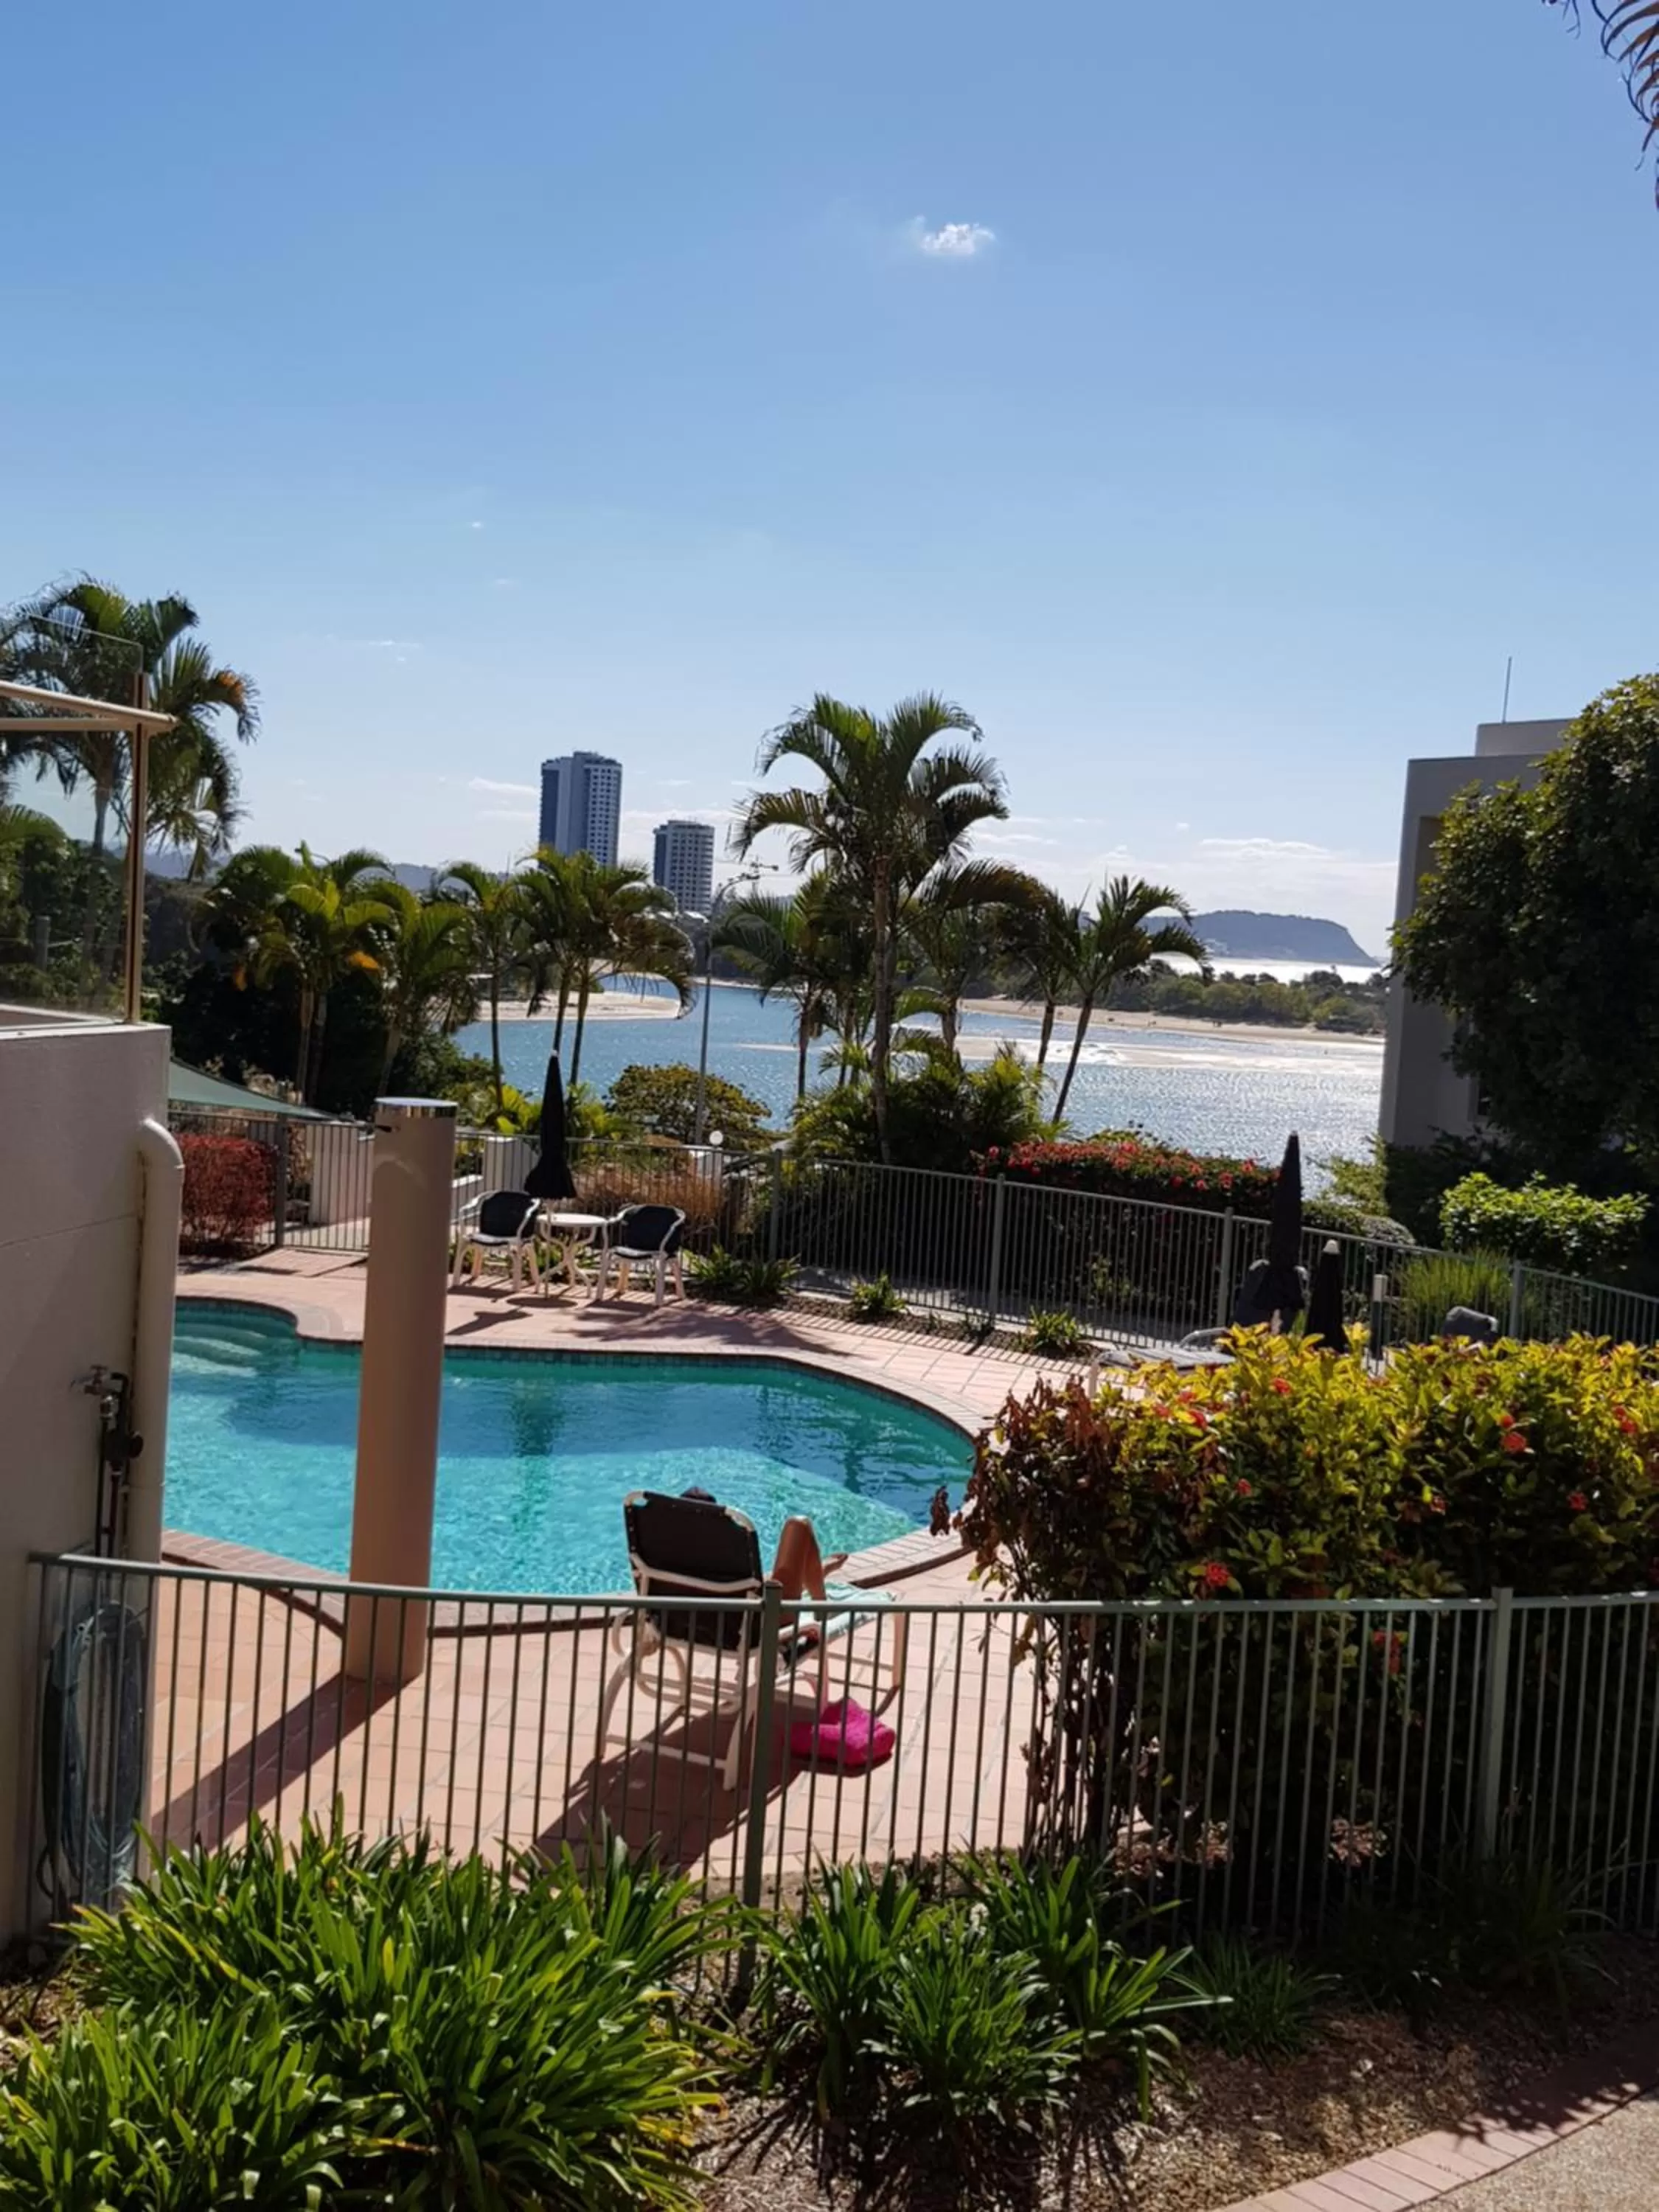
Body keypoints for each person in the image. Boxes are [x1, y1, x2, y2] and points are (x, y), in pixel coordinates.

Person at [681, 1487, 845, 1598]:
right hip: (758, 1626)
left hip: (684, 1624)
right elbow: (767, 1594)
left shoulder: (664, 1556)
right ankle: (821, 1605)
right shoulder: (728, 1551)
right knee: (799, 1525)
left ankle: (821, 1574)